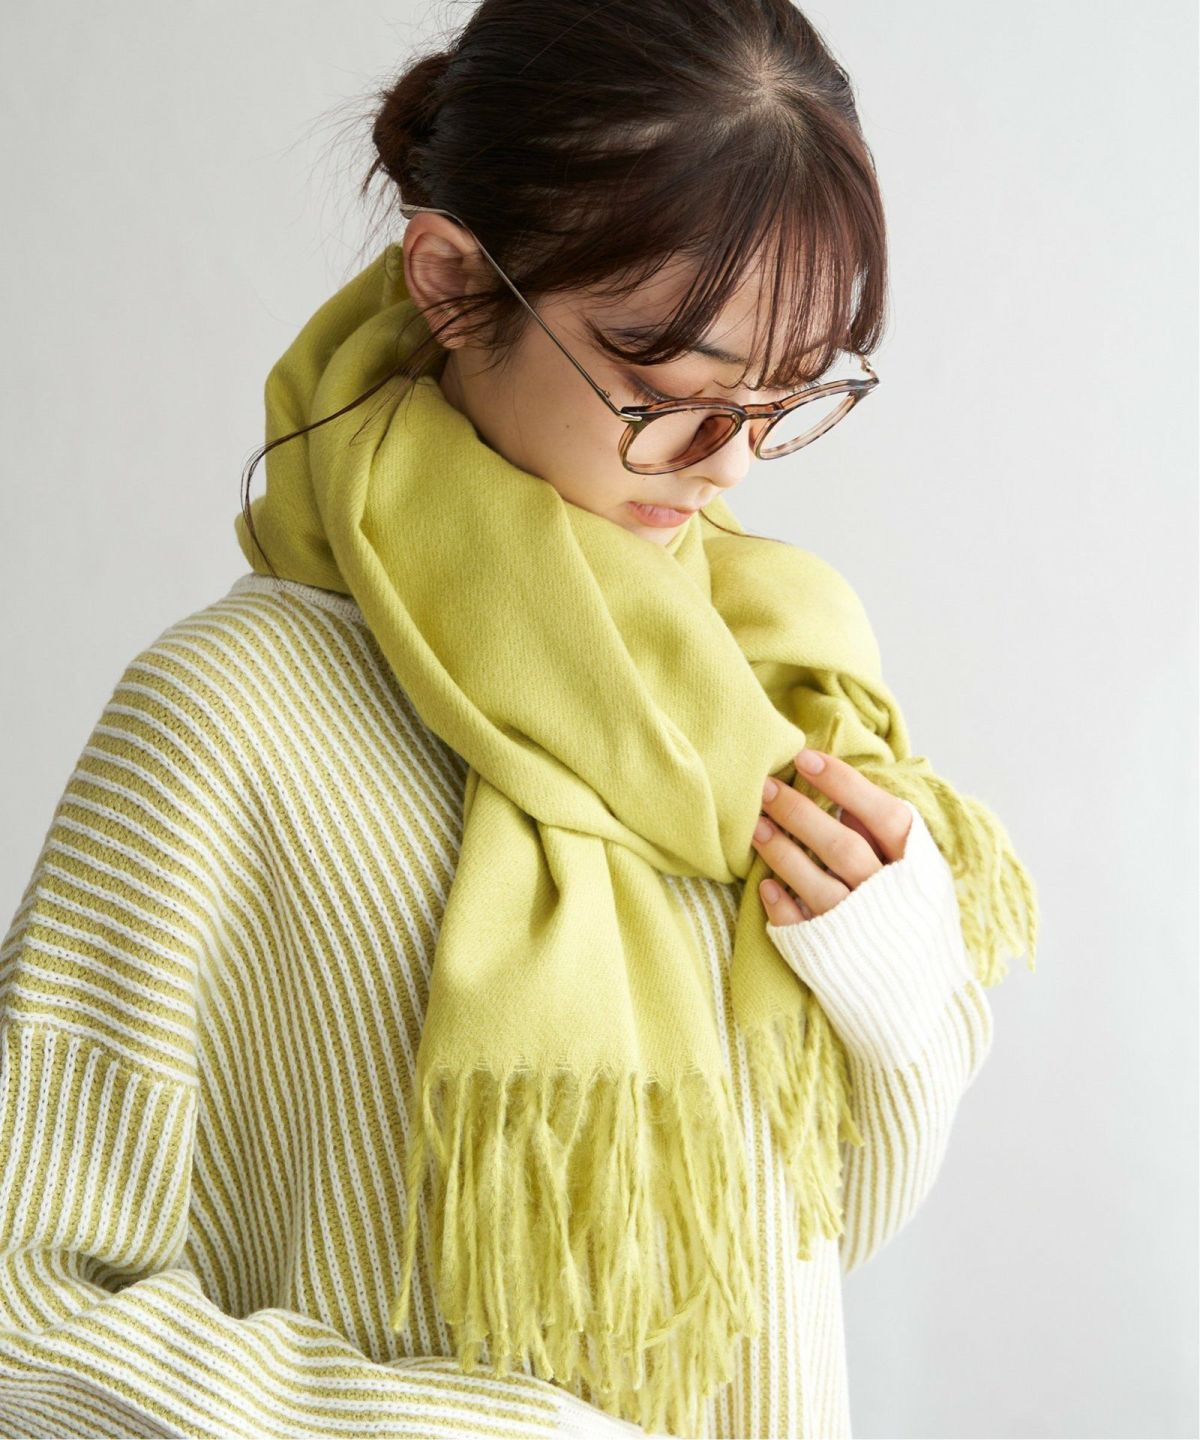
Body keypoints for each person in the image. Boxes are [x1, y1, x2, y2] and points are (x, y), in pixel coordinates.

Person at [0, 2, 1038, 1437]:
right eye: (662, 388)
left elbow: (786, 1259)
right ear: (449, 281)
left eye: (783, 397)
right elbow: (26, 1309)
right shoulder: (225, 719)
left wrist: (901, 1006)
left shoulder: (767, 686)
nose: (728, 467)